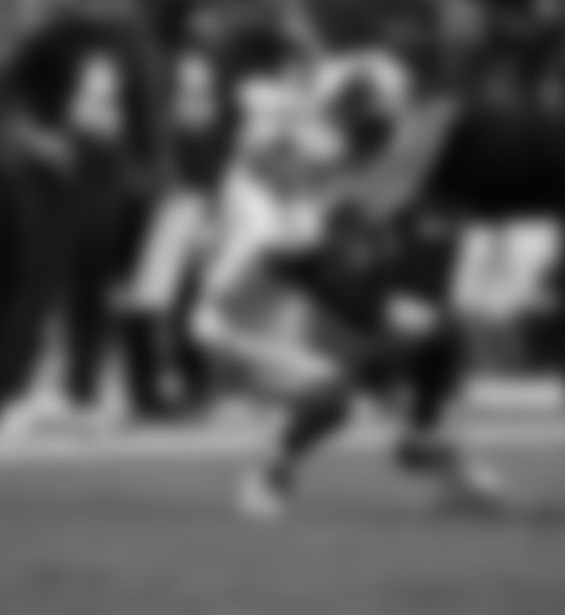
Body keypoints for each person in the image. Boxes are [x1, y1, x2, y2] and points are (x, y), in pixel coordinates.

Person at [192, 33, 503, 520]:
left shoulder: (309, 150)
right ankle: (270, 471)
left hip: (283, 296)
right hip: (237, 320)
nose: (385, 135)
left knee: (435, 333)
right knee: (339, 389)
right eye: (380, 120)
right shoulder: (295, 161)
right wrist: (375, 305)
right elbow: (294, 252)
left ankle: (425, 440)